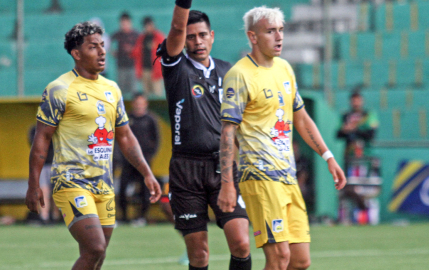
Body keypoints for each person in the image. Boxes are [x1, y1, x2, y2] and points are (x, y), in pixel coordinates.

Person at [218, 6, 346, 270]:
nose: (279, 37)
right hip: (260, 177)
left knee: (300, 261)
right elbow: (228, 131)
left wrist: (328, 156)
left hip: (288, 177)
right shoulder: (239, 75)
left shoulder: (285, 69)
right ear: (253, 37)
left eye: (281, 30)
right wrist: (227, 184)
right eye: (270, 31)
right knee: (279, 258)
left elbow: (301, 117)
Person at [25, 21, 161, 270]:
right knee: (95, 247)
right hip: (71, 182)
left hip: (103, 185)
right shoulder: (59, 89)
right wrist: (34, 184)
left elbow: (126, 136)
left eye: (102, 46)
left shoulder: (113, 89)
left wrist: (147, 173)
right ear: (76, 54)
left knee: (97, 257)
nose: (101, 52)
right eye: (92, 47)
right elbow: (42, 138)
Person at [156, 1, 251, 269]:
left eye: (202, 35)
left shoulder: (229, 71)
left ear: (212, 36)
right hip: (186, 170)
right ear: (183, 41)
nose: (197, 41)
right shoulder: (176, 68)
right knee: (199, 255)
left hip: (223, 166)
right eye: (190, 37)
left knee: (242, 243)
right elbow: (176, 27)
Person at [336, 90, 379, 224]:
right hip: (350, 157)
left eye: (358, 99)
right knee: (349, 187)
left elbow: (371, 134)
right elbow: (338, 134)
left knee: (366, 187)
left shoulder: (368, 115)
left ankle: (367, 217)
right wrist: (346, 130)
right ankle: (349, 217)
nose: (356, 102)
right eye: (353, 100)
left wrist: (353, 129)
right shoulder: (345, 116)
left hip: (365, 158)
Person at [118, 93, 160, 226]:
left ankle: (141, 217)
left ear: (145, 104)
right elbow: (121, 137)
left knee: (145, 189)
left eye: (141, 103)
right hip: (127, 161)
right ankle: (124, 217)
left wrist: (150, 155)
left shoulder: (150, 119)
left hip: (145, 161)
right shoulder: (127, 118)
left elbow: (156, 139)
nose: (139, 106)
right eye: (137, 103)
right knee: (122, 187)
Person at [28, 124, 59, 224]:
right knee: (44, 190)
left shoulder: (58, 127)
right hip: (42, 164)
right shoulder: (36, 129)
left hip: (57, 163)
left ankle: (55, 216)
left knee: (57, 191)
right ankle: (44, 217)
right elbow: (34, 144)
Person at [132, 16, 165, 96]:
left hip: (155, 70)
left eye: (149, 25)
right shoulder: (142, 38)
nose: (148, 27)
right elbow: (135, 53)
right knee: (146, 94)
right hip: (145, 69)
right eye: (146, 26)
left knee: (157, 93)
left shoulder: (158, 36)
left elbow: (165, 50)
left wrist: (155, 46)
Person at [111, 12, 139, 95]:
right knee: (121, 89)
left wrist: (132, 50)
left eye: (126, 22)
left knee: (133, 89)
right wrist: (112, 51)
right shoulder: (117, 34)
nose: (124, 25)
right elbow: (108, 42)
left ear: (130, 22)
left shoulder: (135, 34)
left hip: (132, 65)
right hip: (121, 66)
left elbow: (140, 47)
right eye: (123, 23)